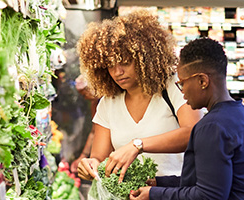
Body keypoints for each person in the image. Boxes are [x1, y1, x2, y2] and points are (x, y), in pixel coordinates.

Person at [130, 38, 244, 199]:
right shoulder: (240, 113)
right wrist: (161, 183)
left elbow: (208, 196)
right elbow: (217, 181)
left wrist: (154, 195)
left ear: (202, 81)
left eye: (182, 83)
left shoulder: (211, 127)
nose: (182, 91)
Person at [76, 10, 203, 184]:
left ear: (145, 58)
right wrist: (90, 165)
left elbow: (194, 133)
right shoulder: (108, 102)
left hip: (174, 192)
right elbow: (99, 157)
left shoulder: (172, 87)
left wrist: (138, 145)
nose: (117, 72)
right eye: (110, 65)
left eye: (125, 62)